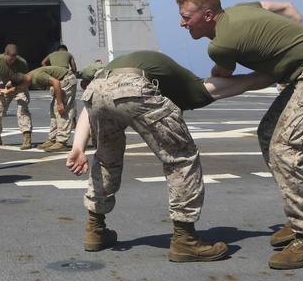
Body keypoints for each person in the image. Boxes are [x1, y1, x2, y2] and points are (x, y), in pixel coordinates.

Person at [176, 0, 303, 270]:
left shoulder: (221, 45)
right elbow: (286, 7)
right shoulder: (241, 9)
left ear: (208, 16)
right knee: (269, 133)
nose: (183, 23)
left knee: (286, 151)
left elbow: (224, 77)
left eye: (187, 17)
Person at [67, 51, 273, 261]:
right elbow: (242, 83)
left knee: (106, 159)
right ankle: (185, 239)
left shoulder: (120, 67)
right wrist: (278, 73)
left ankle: (95, 228)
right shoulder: (190, 84)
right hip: (133, 87)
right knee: (182, 158)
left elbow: (94, 103)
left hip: (95, 91)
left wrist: (78, 147)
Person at [10, 65, 77, 152]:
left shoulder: (38, 76)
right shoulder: (28, 77)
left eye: (20, 87)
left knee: (62, 111)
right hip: (61, 81)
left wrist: (60, 103)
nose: (22, 89)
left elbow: (56, 82)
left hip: (66, 80)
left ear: (23, 83)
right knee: (53, 111)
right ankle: (53, 139)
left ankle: (62, 142)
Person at [0, 44, 33, 149]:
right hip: (3, 85)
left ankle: (27, 136)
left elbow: (26, 80)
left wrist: (14, 82)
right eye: (10, 59)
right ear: (5, 54)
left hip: (20, 87)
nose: (12, 61)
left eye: (14, 59)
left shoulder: (22, 62)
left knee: (22, 109)